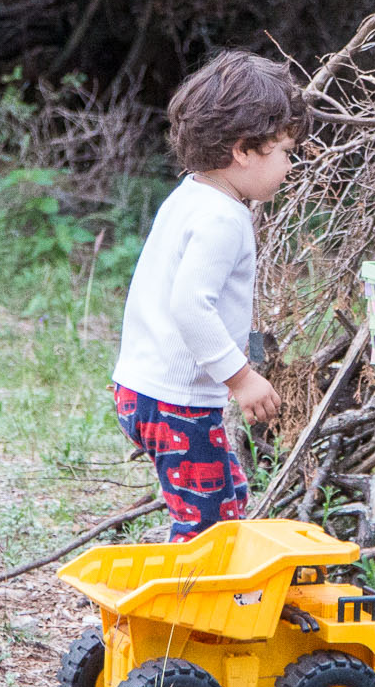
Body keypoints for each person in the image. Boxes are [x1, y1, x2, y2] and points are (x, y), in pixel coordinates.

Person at [111, 49, 301, 541]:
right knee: (207, 530)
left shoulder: (194, 194)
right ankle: (186, 592)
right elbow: (190, 307)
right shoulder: (221, 219)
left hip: (148, 390)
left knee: (227, 501)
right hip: (176, 402)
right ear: (243, 150)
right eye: (285, 152)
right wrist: (242, 379)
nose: (289, 166)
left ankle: (213, 583)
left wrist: (249, 358)